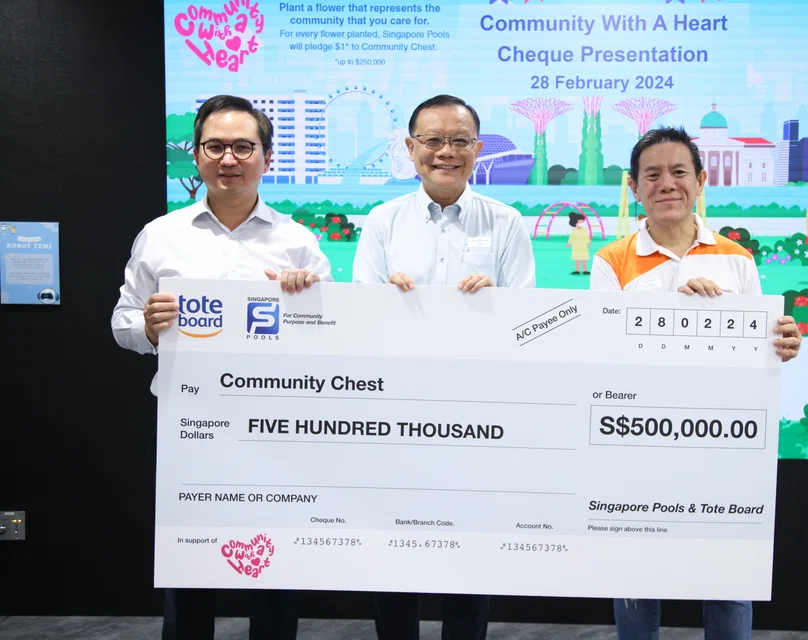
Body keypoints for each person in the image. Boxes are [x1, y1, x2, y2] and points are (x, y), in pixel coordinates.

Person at [111, 94, 333, 640]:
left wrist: (312, 300)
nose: (228, 159)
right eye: (215, 147)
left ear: (267, 156)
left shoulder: (299, 241)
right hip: (191, 426)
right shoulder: (162, 234)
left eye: (243, 146)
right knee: (190, 574)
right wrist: (150, 326)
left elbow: (333, 340)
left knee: (277, 572)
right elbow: (120, 323)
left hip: (278, 428)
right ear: (196, 155)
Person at [589, 125, 803, 640]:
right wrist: (673, 310)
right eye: (652, 175)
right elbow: (600, 353)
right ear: (635, 188)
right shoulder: (611, 260)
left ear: (701, 180)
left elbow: (760, 349)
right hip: (636, 444)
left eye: (679, 172)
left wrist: (783, 344)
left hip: (724, 445)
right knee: (636, 583)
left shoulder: (737, 258)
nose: (667, 184)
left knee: (729, 584)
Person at [352, 93, 535, 640]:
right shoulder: (382, 221)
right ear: (411, 149)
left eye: (459, 141)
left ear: (477, 150)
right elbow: (360, 318)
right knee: (394, 562)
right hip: (395, 417)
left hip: (477, 418)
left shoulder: (506, 222)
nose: (445, 152)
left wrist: (495, 300)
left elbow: (527, 323)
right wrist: (388, 299)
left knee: (469, 564)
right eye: (432, 140)